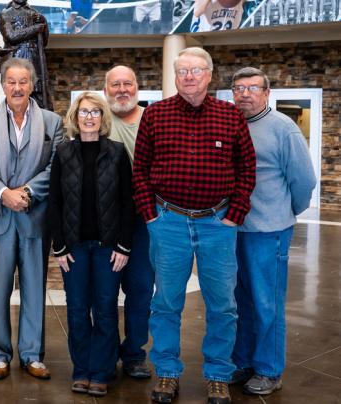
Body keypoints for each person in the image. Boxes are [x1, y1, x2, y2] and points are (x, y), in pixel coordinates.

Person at [132, 47, 256, 404]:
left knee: (223, 305)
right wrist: (151, 217)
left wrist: (235, 214)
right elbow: (140, 171)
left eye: (196, 70)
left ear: (209, 75)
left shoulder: (230, 116)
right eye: (182, 70)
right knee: (167, 303)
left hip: (218, 223)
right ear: (175, 76)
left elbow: (247, 169)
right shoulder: (155, 115)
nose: (189, 76)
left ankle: (218, 373)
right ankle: (167, 373)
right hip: (168, 222)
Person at [0, 57, 63, 380]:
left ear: (32, 86)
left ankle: (32, 354)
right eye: (11, 81)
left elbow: (55, 167)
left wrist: (26, 192)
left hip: (34, 216)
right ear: (3, 85)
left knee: (35, 287)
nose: (17, 87)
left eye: (23, 81)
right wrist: (3, 193)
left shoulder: (52, 123)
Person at [229, 67, 316, 395]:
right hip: (231, 229)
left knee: (267, 302)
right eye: (239, 88)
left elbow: (304, 180)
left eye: (252, 88)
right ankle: (242, 362)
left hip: (268, 230)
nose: (245, 94)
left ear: (267, 93)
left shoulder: (283, 128)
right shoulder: (231, 122)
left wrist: (285, 212)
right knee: (239, 301)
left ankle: (268, 369)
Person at [49, 92, 133, 396]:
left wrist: (124, 245)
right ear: (75, 117)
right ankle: (81, 369)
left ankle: (101, 370)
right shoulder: (62, 153)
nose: (89, 117)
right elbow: (55, 202)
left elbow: (127, 202)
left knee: (106, 309)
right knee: (77, 310)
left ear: (103, 117)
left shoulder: (117, 152)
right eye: (83, 112)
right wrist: (59, 245)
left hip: (108, 247)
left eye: (95, 112)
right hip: (74, 248)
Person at [103, 65, 153, 380]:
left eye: (128, 83)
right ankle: (107, 353)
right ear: (106, 89)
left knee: (141, 290)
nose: (122, 89)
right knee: (105, 292)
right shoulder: (99, 122)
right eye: (115, 84)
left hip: (146, 221)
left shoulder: (154, 120)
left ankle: (134, 353)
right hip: (107, 223)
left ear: (137, 87)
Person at [0, 0, 52, 110]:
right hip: (17, 58)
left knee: (39, 95)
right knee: (18, 94)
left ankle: (42, 123)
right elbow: (11, 36)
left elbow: (44, 42)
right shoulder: (6, 13)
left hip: (35, 59)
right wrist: (35, 29)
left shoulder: (34, 13)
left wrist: (43, 24)